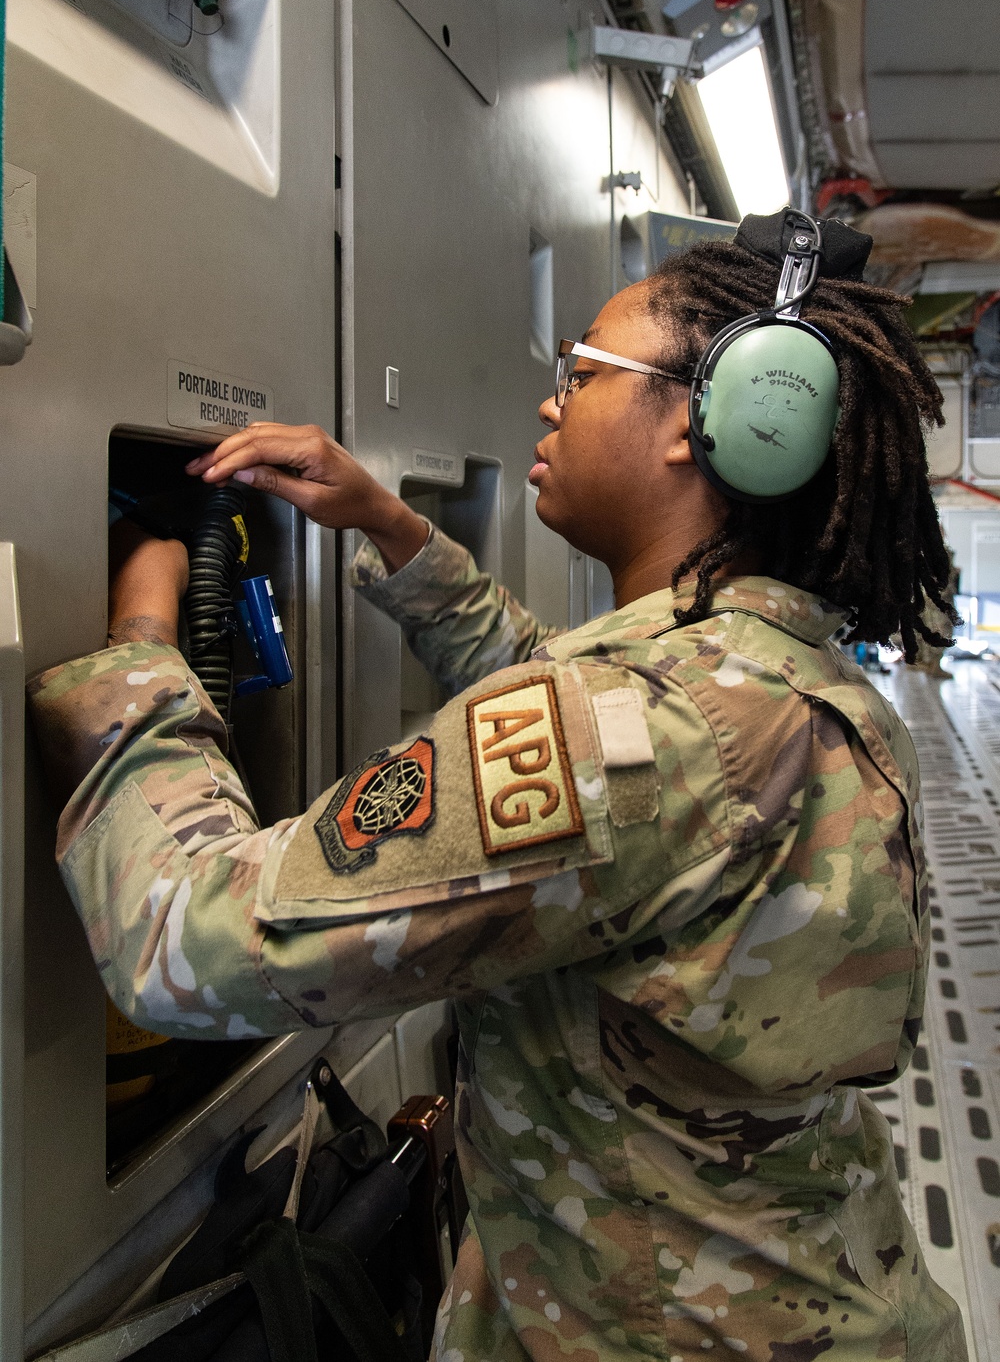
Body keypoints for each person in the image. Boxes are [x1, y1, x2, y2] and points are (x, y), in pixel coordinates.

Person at [30, 211, 966, 1361]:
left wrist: (137, 634)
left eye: (581, 371)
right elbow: (592, 742)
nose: (549, 401)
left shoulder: (636, 728)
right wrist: (391, 526)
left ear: (708, 417)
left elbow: (181, 937)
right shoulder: (790, 679)